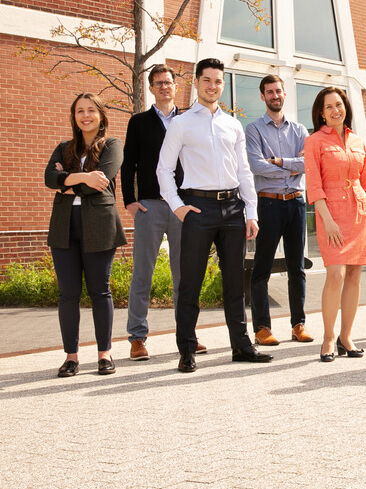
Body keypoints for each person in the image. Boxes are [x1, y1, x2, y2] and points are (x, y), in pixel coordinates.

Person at [157, 57, 270, 373]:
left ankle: (242, 346)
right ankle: (187, 350)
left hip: (233, 208)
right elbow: (163, 169)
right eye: (207, 80)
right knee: (190, 283)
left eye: (218, 81)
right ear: (196, 82)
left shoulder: (232, 124)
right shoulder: (181, 123)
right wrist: (178, 207)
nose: (213, 86)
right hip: (198, 208)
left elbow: (244, 171)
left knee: (235, 282)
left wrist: (251, 212)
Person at [120, 64, 206, 360]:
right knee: (143, 273)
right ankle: (137, 337)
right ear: (152, 88)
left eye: (168, 82)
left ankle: (188, 336)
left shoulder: (189, 119)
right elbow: (127, 162)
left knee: (185, 275)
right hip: (151, 205)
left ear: (175, 85)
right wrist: (129, 199)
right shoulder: (139, 122)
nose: (164, 87)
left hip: (183, 205)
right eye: (158, 83)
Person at [44, 93, 127, 378]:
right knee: (68, 294)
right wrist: (81, 177)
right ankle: (71, 357)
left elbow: (100, 183)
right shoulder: (63, 147)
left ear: (101, 115)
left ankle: (104, 354)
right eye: (80, 111)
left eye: (91, 110)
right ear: (74, 116)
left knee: (99, 290)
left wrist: (65, 181)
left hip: (99, 224)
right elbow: (48, 179)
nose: (85, 115)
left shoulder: (112, 145)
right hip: (64, 225)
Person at [303, 87, 366, 362]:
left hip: (359, 211)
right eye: (329, 107)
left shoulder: (358, 141)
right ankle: (327, 338)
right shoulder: (313, 141)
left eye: (339, 105)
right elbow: (313, 185)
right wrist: (328, 221)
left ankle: (346, 337)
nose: (336, 110)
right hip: (331, 213)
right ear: (321, 114)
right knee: (335, 274)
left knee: (355, 275)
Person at [244, 75, 312, 346]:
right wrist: (292, 165)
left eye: (278, 91)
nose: (275, 95)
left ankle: (299, 325)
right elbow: (257, 166)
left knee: (297, 268)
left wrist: (281, 161)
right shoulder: (253, 130)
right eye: (270, 92)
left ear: (285, 94)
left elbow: (308, 164)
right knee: (261, 268)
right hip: (268, 203)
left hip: (296, 202)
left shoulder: (300, 131)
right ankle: (262, 328)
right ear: (262, 96)